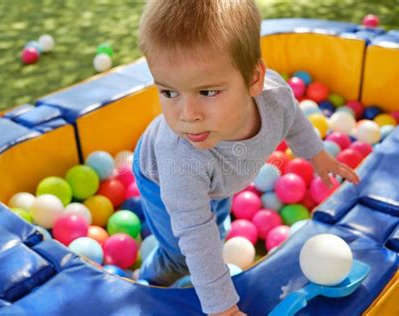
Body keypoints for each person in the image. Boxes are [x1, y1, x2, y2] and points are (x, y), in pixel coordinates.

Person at [132, 0, 360, 314]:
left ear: (254, 79)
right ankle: (145, 282)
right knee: (181, 256)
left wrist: (318, 155)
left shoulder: (275, 97)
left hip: (218, 179)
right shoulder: (179, 156)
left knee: (219, 228)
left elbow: (294, 119)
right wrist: (223, 307)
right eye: (169, 93)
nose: (188, 115)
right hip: (159, 178)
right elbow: (196, 232)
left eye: (208, 92)